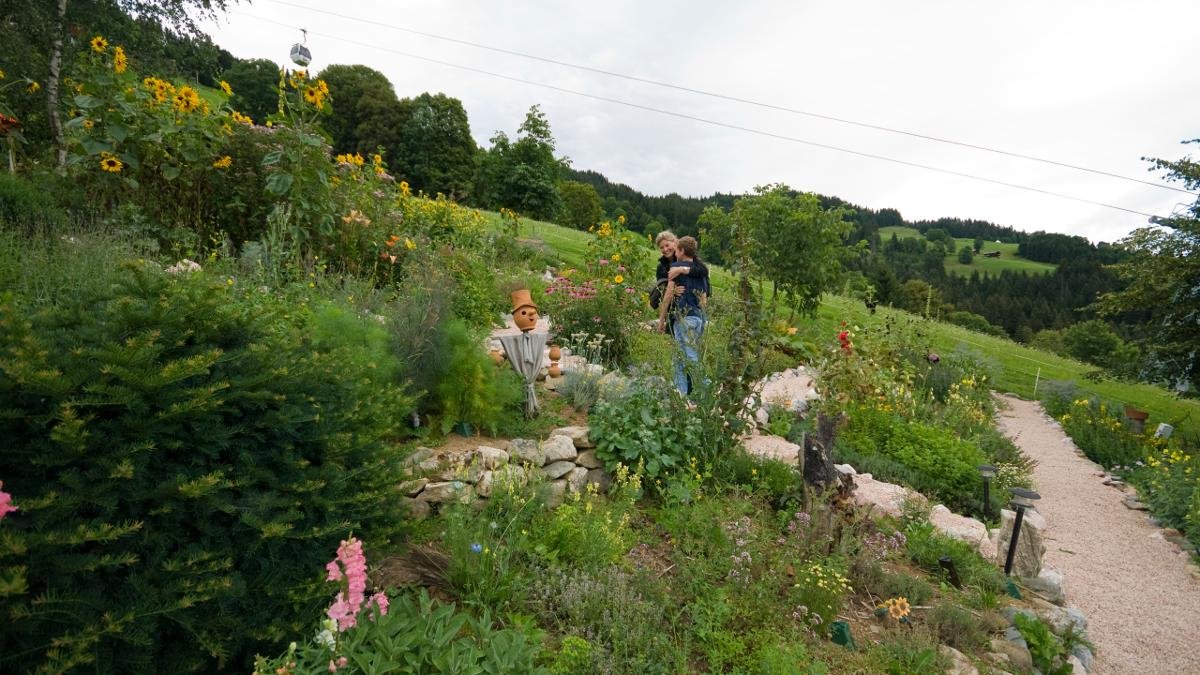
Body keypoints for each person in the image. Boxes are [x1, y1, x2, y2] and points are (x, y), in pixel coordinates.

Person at [656, 236, 710, 395]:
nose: (665, 249)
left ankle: (707, 391)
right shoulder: (699, 269)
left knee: (690, 357)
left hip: (684, 317)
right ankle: (681, 395)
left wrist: (661, 320)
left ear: (679, 249)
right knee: (678, 359)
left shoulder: (676, 267)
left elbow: (666, 297)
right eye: (662, 247)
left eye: (669, 245)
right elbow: (704, 298)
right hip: (698, 317)